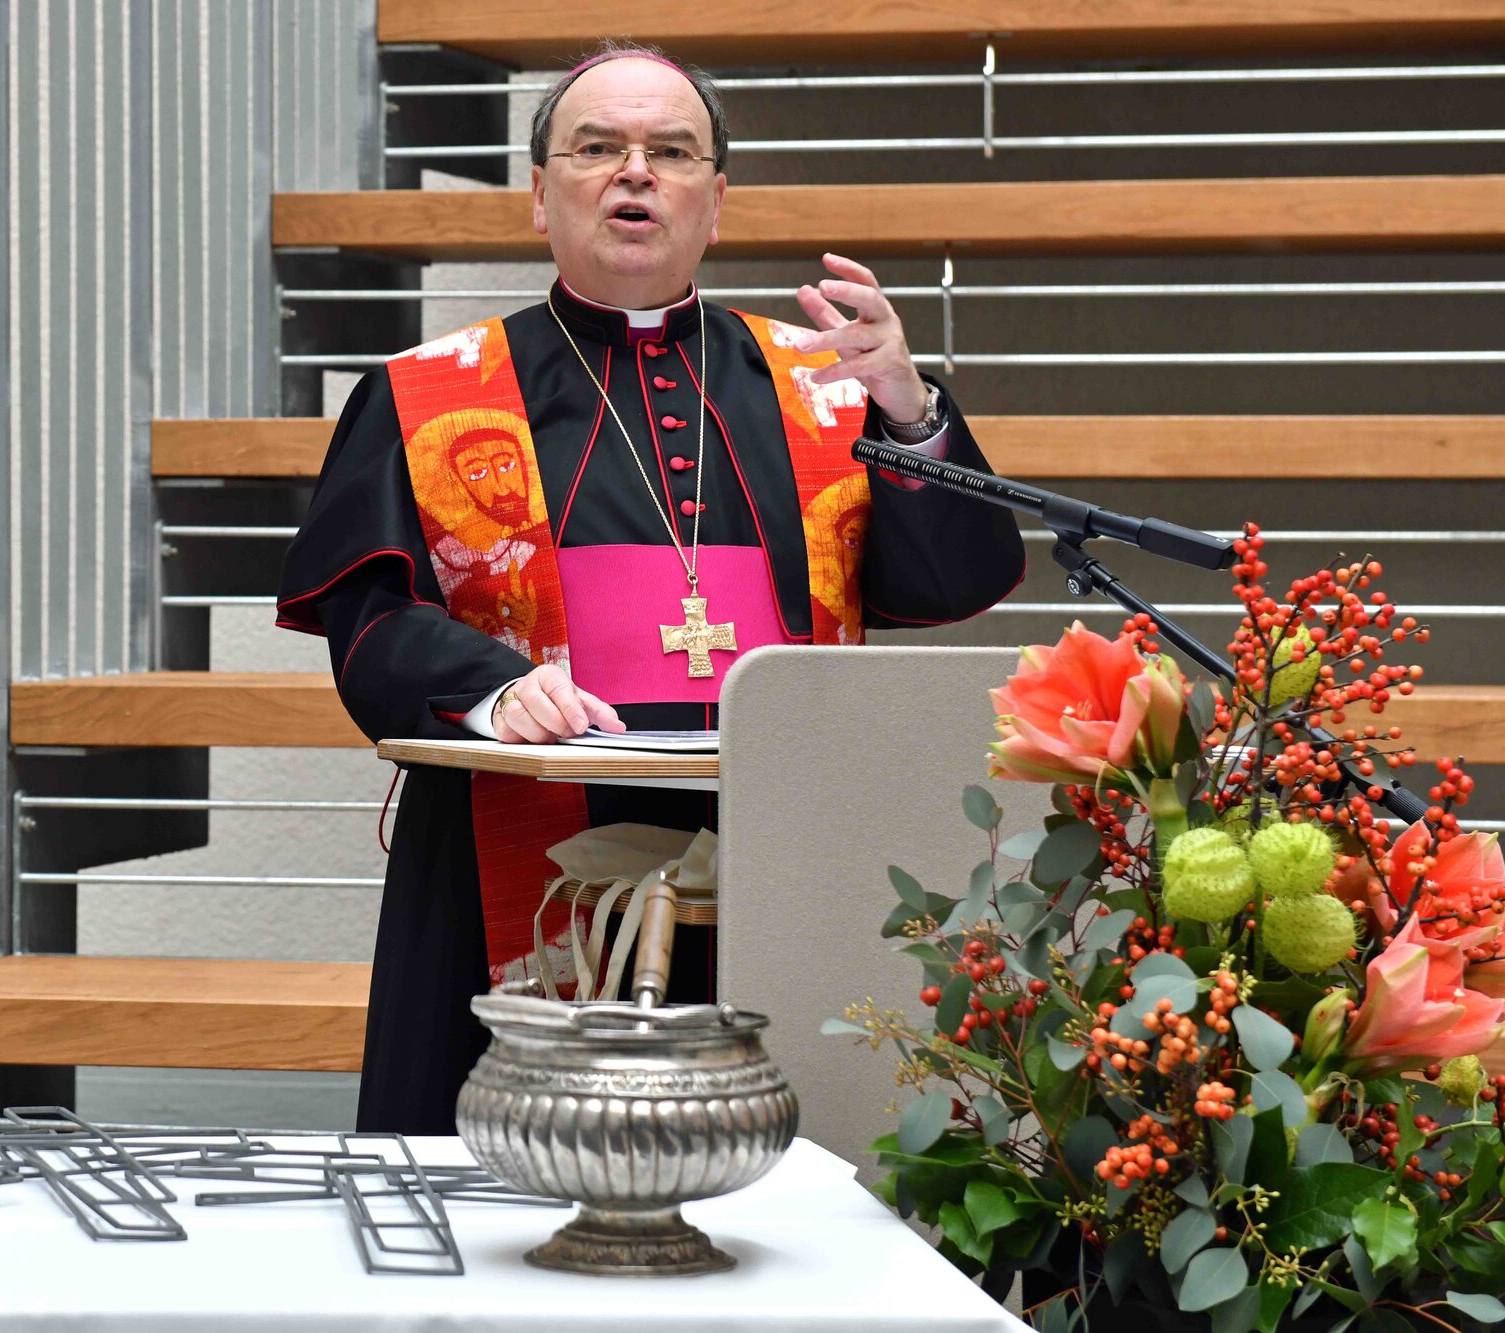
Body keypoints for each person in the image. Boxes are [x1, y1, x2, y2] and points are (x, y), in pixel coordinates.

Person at [277, 44, 1026, 1132]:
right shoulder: (425, 392)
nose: (635, 172)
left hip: (772, 832)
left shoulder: (827, 387)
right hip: (519, 828)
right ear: (539, 193)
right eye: (597, 148)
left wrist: (909, 410)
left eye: (670, 151)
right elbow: (366, 618)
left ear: (713, 203)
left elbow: (949, 580)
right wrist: (492, 689)